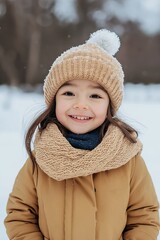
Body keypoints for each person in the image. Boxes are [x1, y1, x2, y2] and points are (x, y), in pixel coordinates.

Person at [4, 29, 159, 240]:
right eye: (69, 93)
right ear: (54, 101)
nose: (81, 104)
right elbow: (20, 215)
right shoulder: (41, 158)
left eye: (95, 95)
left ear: (109, 106)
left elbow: (144, 217)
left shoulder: (128, 160)